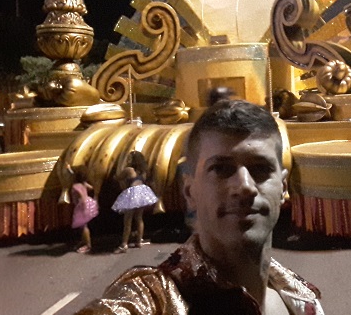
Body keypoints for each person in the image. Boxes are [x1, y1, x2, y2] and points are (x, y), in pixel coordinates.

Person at [76, 100, 324, 315]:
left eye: (260, 169)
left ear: (283, 187)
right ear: (189, 192)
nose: (245, 186)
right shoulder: (153, 301)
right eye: (221, 169)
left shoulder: (302, 299)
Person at [111, 150, 159, 253]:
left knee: (127, 220)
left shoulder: (128, 170)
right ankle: (139, 241)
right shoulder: (143, 172)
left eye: (129, 158)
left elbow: (118, 177)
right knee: (139, 218)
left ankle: (124, 244)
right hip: (142, 194)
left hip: (131, 195)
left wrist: (115, 175)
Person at [69, 165, 99, 254]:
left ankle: (88, 245)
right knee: (82, 226)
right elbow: (91, 188)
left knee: (84, 226)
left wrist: (81, 202)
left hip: (82, 206)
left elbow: (81, 197)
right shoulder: (84, 184)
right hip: (88, 203)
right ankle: (84, 241)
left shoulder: (75, 186)